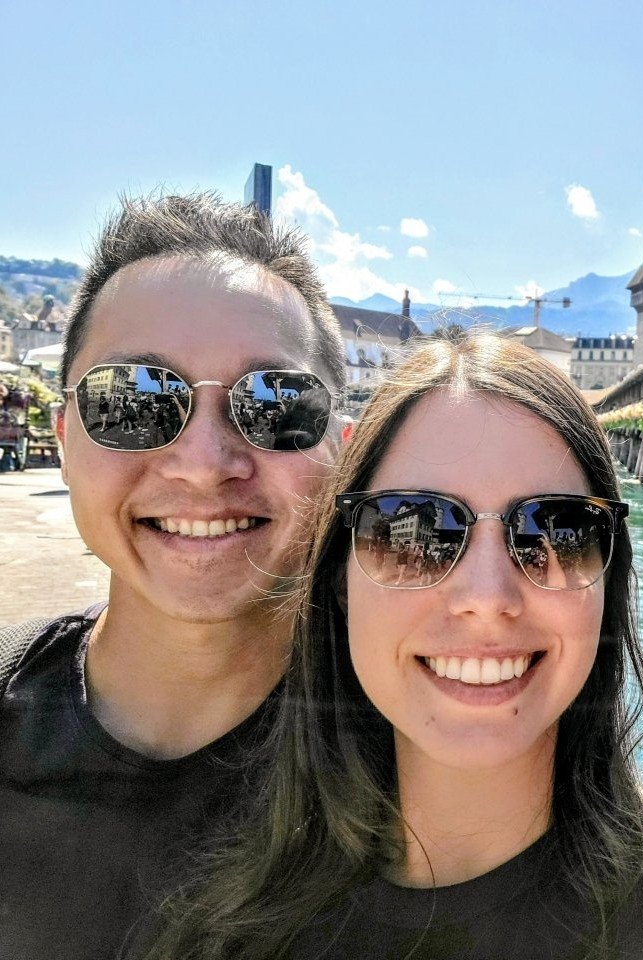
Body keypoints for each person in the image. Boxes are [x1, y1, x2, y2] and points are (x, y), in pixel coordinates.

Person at [142, 332, 643, 960]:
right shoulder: (222, 916)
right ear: (339, 580)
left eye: (557, 531)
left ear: (608, 583)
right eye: (414, 530)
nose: (487, 597)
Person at [0, 192, 346, 959]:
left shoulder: (435, 766)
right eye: (134, 400)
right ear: (64, 440)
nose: (203, 465)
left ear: (340, 451)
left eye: (275, 404)